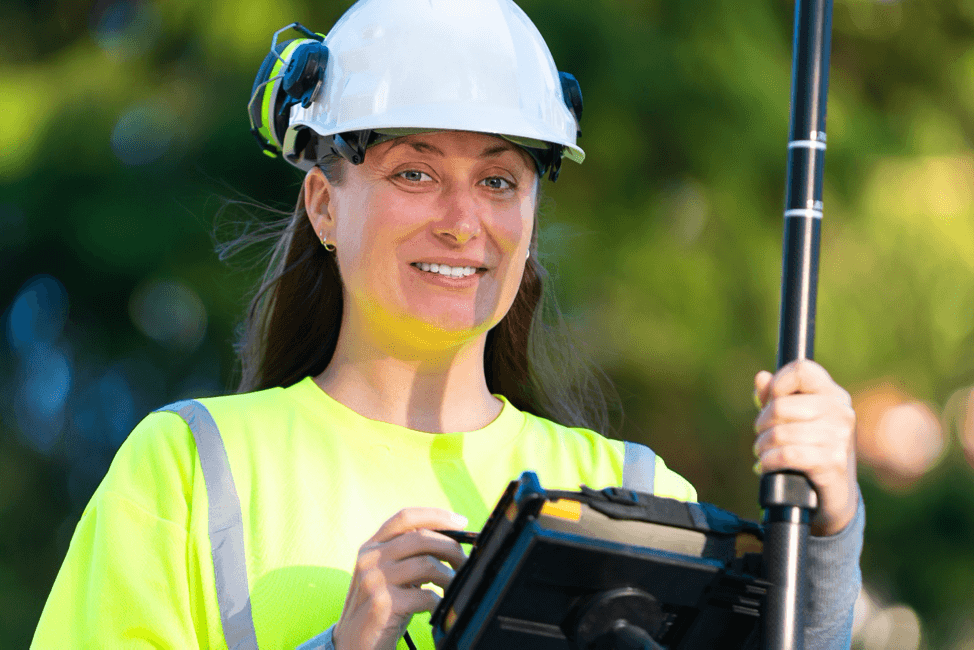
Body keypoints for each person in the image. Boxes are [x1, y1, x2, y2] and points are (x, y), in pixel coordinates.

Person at [32, 1, 864, 649]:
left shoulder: (639, 495)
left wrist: (826, 527)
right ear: (324, 203)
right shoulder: (188, 469)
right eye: (416, 171)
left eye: (500, 181)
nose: (464, 222)